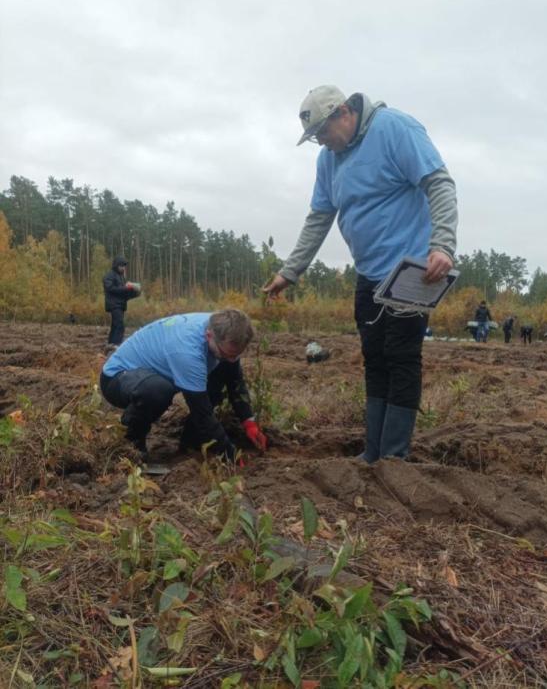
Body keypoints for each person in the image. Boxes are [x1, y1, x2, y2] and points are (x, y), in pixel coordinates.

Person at [264, 85, 457, 463]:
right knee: (374, 357)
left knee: (401, 356)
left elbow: (439, 183)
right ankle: (372, 454)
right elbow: (320, 217)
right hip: (368, 274)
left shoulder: (395, 129)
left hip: (411, 270)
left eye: (322, 132)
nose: (321, 142)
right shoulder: (328, 160)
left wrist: (443, 245)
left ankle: (394, 458)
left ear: (343, 113)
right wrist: (290, 271)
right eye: (314, 137)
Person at [100, 309, 267, 461]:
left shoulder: (222, 327)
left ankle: (191, 442)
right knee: (157, 391)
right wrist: (230, 454)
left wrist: (249, 422)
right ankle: (132, 445)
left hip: (153, 373)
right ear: (209, 336)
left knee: (222, 369)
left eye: (236, 355)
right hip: (117, 379)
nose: (231, 360)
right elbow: (201, 411)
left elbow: (234, 379)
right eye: (226, 354)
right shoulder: (188, 350)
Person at [103, 256, 141, 346]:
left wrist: (134, 292)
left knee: (115, 325)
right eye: (121, 266)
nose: (123, 268)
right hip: (114, 304)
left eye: (124, 266)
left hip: (120, 305)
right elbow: (110, 288)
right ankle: (116, 345)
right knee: (119, 325)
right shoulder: (109, 275)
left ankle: (111, 345)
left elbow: (123, 292)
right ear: (116, 265)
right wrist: (125, 288)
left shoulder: (121, 277)